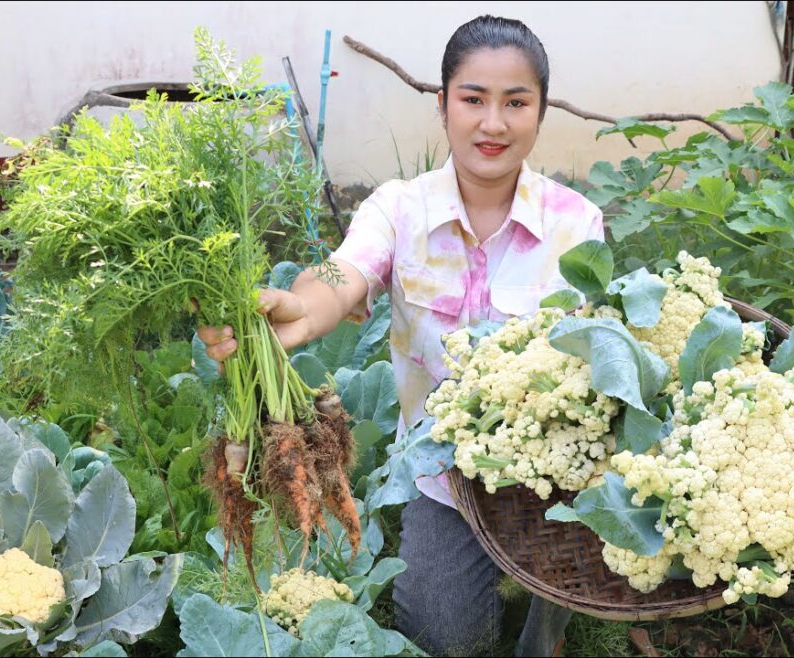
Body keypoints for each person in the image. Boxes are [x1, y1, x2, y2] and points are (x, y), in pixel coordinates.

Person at [199, 14, 604, 657]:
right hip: (442, 478)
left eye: (515, 103)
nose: (492, 124)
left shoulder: (577, 225)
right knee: (446, 640)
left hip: (550, 477)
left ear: (540, 111)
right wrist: (301, 309)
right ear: (443, 105)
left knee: (569, 584)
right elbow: (343, 271)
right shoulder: (396, 209)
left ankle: (546, 624)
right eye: (473, 100)